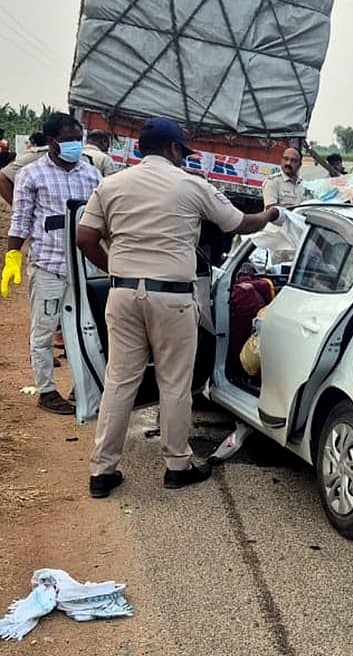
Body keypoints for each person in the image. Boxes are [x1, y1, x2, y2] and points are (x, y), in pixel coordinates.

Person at [75, 117, 286, 498]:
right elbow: (240, 224)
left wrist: (116, 270)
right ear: (174, 149)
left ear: (141, 149)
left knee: (120, 382)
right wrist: (271, 214)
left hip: (122, 295)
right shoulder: (191, 185)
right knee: (174, 383)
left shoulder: (112, 184)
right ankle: (176, 465)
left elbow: (85, 237)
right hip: (172, 298)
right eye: (182, 151)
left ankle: (102, 472)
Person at [1, 113, 102, 414]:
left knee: (88, 329)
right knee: (44, 331)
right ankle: (46, 390)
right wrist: (13, 257)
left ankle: (83, 387)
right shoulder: (32, 175)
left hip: (85, 268)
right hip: (49, 266)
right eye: (68, 139)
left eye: (78, 139)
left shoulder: (92, 175)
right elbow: (20, 221)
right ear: (51, 142)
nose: (75, 144)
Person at [0, 132, 50, 205]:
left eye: (28, 143)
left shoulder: (30, 157)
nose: (26, 145)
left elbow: (2, 177)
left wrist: (15, 206)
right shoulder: (51, 154)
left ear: (34, 144)